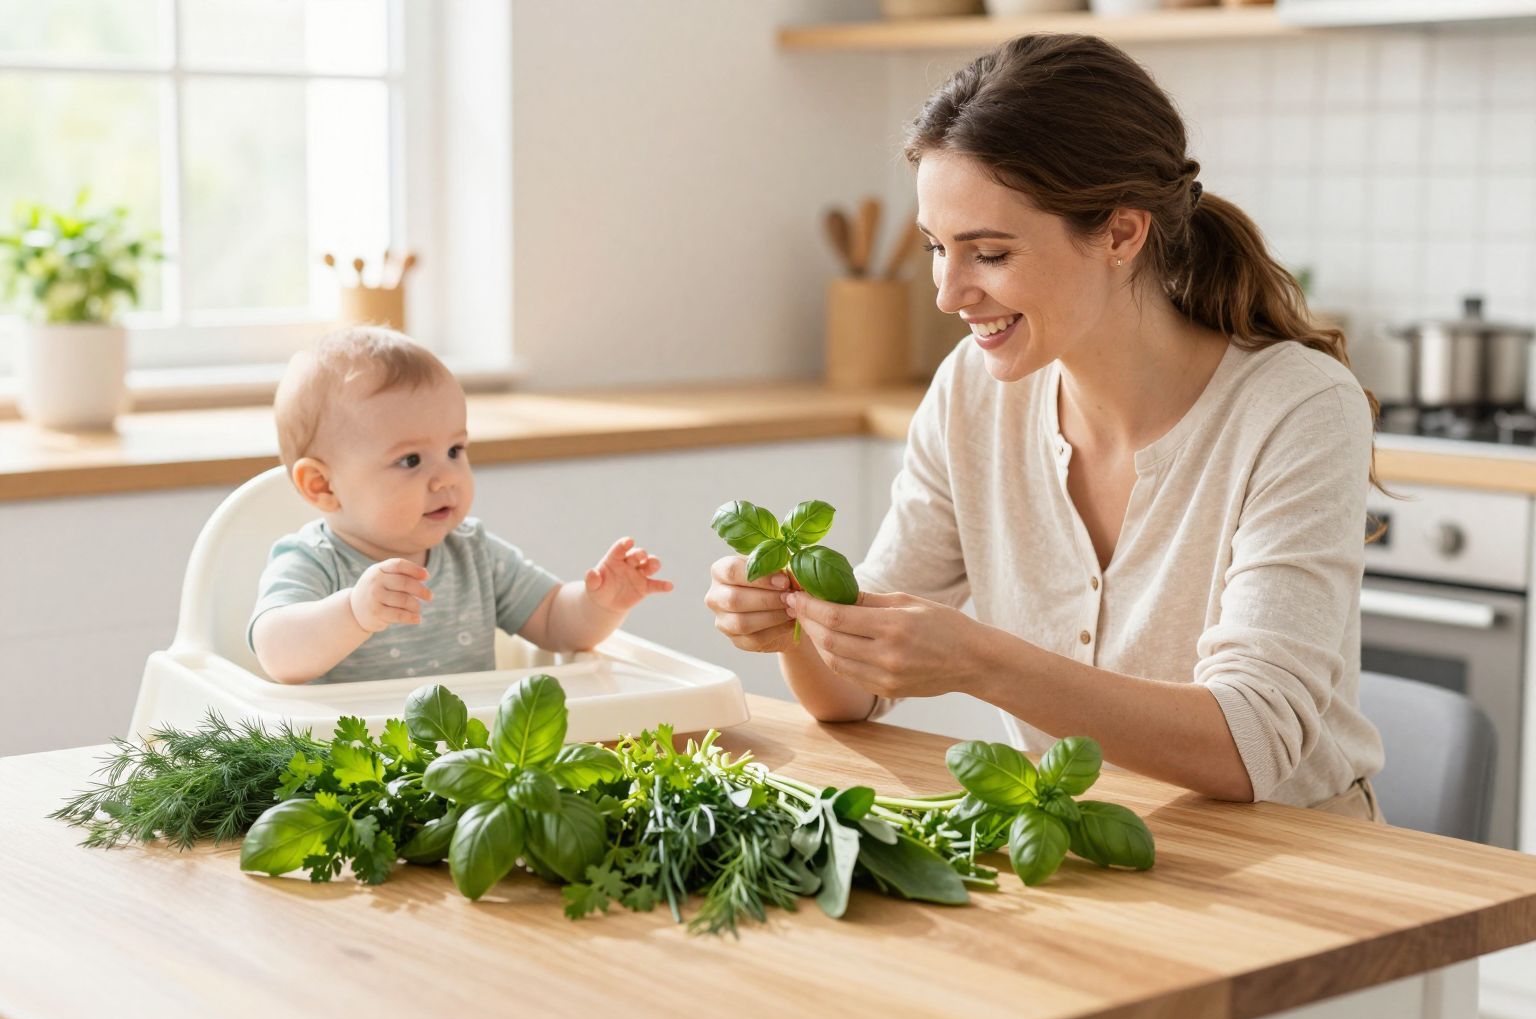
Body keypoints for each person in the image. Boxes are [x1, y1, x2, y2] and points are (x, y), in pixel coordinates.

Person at [706, 34, 1385, 818]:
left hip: (1298, 870)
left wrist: (980, 661)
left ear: (1122, 235)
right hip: (1079, 849)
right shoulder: (972, 390)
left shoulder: (1296, 410)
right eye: (936, 248)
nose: (948, 293)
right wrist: (794, 621)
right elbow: (853, 691)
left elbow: (1251, 741)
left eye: (988, 253)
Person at [249, 326, 672, 685]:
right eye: (410, 460)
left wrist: (601, 603)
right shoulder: (314, 561)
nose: (446, 476)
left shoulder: (474, 553)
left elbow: (554, 624)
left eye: (455, 449)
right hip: (358, 770)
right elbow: (277, 653)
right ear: (323, 485)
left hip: (473, 755)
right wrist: (354, 611)